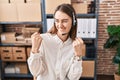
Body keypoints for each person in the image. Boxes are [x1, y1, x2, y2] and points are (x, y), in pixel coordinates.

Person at [27, 3, 84, 80]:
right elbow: (35, 72)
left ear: (73, 22)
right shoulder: (43, 40)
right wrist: (34, 50)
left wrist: (78, 56)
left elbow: (73, 78)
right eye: (57, 21)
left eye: (64, 21)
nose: (60, 25)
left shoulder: (75, 45)